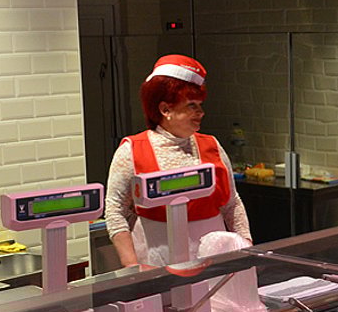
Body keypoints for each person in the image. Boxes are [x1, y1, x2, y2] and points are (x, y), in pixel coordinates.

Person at [105, 54, 252, 267]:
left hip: (214, 260)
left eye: (200, 104)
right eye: (191, 105)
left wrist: (245, 247)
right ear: (165, 109)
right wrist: (132, 266)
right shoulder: (132, 150)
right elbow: (115, 210)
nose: (201, 112)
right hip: (156, 260)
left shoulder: (212, 145)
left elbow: (232, 204)